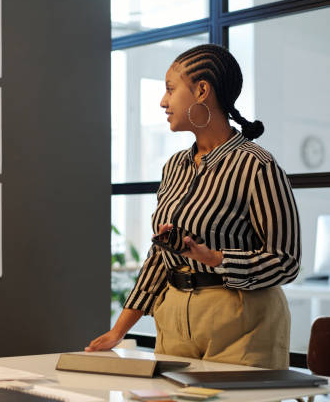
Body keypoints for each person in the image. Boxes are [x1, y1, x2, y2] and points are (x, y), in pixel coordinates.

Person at [86, 44, 300, 369]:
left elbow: (286, 262)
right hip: (173, 318)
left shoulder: (257, 166)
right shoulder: (174, 167)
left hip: (242, 324)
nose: (162, 101)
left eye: (170, 89)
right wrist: (119, 330)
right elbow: (160, 256)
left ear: (202, 90)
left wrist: (216, 259)